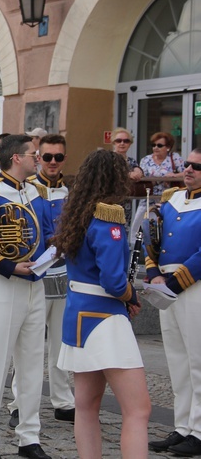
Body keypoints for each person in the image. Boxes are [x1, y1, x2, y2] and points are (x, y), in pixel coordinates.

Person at [53, 149, 150, 459]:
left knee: (86, 406)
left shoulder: (78, 214)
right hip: (104, 318)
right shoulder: (108, 217)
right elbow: (113, 282)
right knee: (138, 410)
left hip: (78, 315)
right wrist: (130, 295)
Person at [0, 134, 54, 459]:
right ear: (17, 158)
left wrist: (52, 252)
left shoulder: (37, 192)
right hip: (3, 283)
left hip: (36, 283)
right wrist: (9, 265)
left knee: (33, 363)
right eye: (34, 154)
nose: (39, 158)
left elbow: (46, 235)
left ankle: (28, 437)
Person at [8, 134, 75, 427]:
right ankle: (20, 404)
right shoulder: (27, 191)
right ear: (38, 158)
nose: (51, 162)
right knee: (26, 346)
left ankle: (62, 400)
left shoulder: (71, 192)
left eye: (58, 157)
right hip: (33, 275)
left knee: (62, 343)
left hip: (63, 274)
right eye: (46, 157)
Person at [145, 148, 201, 456]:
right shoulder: (172, 199)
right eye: (188, 164)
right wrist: (153, 272)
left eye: (197, 166)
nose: (189, 169)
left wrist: (175, 282)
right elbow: (152, 238)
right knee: (178, 361)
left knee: (198, 361)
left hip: (192, 287)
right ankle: (182, 427)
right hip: (166, 286)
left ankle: (200, 430)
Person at [140, 131, 184, 196]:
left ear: (168, 147)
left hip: (170, 197)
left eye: (159, 145)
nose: (155, 148)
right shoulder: (146, 160)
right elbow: (141, 178)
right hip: (149, 197)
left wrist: (174, 176)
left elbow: (186, 172)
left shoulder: (175, 157)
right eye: (153, 145)